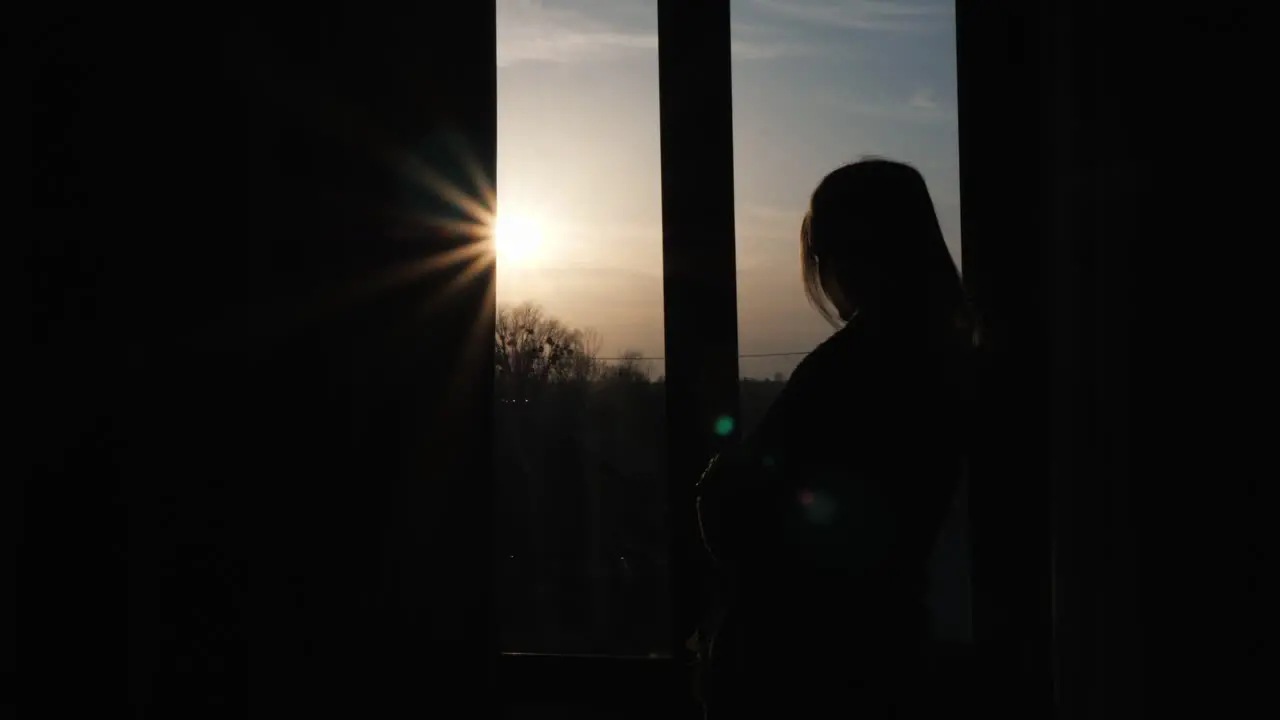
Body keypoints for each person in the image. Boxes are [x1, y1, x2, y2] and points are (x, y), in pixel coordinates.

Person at [693, 158, 978, 718]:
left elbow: (786, 525)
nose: (825, 271)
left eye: (826, 251)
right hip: (876, 654)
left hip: (811, 669)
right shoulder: (939, 353)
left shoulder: (859, 364)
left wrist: (723, 485)